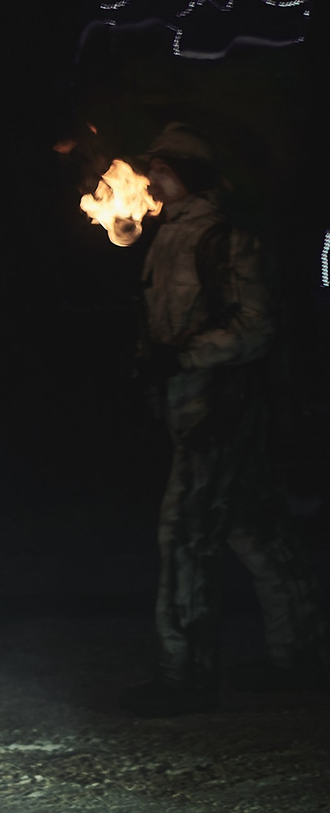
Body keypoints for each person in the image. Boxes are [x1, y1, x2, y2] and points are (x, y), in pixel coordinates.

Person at [124, 125, 324, 715]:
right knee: (257, 530)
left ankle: (185, 676)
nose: (150, 177)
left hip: (221, 409)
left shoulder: (227, 238)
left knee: (184, 534)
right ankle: (302, 656)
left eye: (162, 167)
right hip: (189, 407)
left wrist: (182, 355)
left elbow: (256, 329)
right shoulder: (167, 235)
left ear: (194, 174)